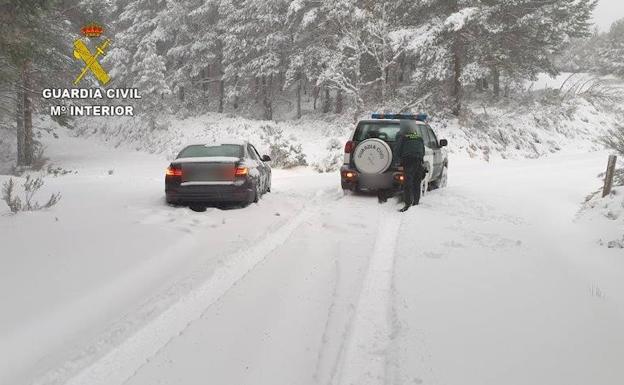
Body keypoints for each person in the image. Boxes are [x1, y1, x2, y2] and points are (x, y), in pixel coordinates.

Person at [393, 120, 425, 212]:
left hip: (408, 161)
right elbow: (422, 150)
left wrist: (397, 162)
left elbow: (397, 150)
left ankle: (407, 204)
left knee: (408, 183)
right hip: (418, 161)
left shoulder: (403, 137)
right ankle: (416, 202)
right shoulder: (419, 137)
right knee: (416, 182)